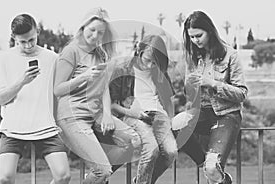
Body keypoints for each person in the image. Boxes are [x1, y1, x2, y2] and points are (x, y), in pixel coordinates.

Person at [53, 7, 140, 184]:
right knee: (103, 172)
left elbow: (104, 89)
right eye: (92, 30)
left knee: (134, 141)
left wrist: (107, 114)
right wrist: (83, 77)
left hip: (96, 114)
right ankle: (100, 172)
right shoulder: (72, 51)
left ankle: (97, 175)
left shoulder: (101, 54)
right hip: (72, 116)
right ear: (83, 27)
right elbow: (58, 89)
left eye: (100, 33)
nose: (95, 36)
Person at [0, 14, 71, 184]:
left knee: (63, 176)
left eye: (32, 39)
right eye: (22, 42)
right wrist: (22, 81)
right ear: (14, 38)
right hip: (13, 127)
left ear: (37, 32)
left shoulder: (53, 58)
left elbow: (62, 92)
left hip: (46, 126)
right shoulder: (4, 59)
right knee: (4, 178)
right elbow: (1, 99)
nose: (28, 45)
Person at [180, 10, 248, 184]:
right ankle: (209, 166)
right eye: (192, 37)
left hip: (226, 115)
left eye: (199, 35)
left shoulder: (230, 55)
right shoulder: (192, 56)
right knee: (171, 127)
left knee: (212, 169)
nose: (196, 41)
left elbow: (241, 93)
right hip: (201, 113)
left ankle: (214, 171)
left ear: (209, 31)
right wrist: (190, 87)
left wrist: (213, 83)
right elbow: (191, 96)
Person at [109, 35, 178, 184]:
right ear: (139, 51)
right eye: (147, 60)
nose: (149, 65)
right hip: (134, 114)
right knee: (152, 149)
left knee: (171, 152)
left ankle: (141, 180)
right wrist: (132, 113)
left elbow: (169, 100)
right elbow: (112, 105)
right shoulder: (122, 69)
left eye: (154, 63)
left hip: (159, 115)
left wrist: (171, 120)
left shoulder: (159, 72)